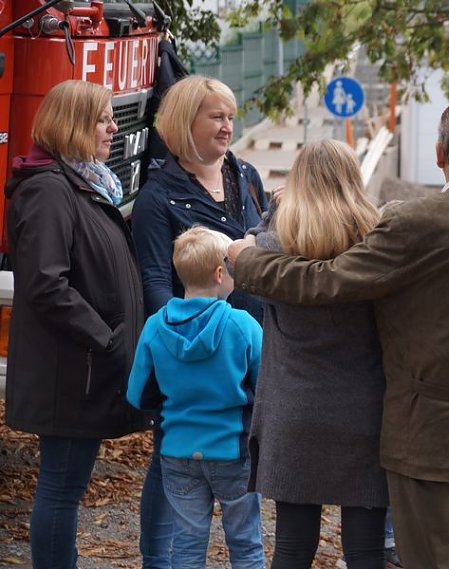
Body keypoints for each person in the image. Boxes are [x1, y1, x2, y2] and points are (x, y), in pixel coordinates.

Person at [227, 96, 449, 569]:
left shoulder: (415, 222)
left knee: (429, 558)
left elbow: (325, 281)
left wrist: (248, 259)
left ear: (439, 155)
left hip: (427, 430)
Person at [2, 79, 150, 568]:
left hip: (80, 369)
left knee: (65, 490)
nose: (113, 127)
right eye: (103, 119)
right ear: (74, 125)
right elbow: (46, 285)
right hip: (70, 375)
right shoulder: (50, 190)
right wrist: (105, 338)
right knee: (61, 492)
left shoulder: (83, 183)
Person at [132, 75, 269, 566]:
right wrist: (172, 344)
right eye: (216, 116)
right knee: (169, 465)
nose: (228, 125)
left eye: (231, 116)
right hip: (189, 357)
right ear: (184, 121)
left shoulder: (246, 175)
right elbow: (154, 280)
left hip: (245, 348)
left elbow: (268, 244)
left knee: (239, 474)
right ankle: (157, 559)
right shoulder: (156, 197)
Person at [247, 139, 388, 569]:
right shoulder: (375, 246)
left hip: (295, 410)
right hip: (364, 411)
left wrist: (275, 210)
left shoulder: (272, 245)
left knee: (292, 547)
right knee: (365, 551)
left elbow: (246, 247)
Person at [126, 226, 265, 568]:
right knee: (246, 545)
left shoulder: (156, 326)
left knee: (186, 548)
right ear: (220, 274)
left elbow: (137, 393)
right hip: (233, 451)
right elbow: (266, 388)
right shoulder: (243, 325)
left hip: (178, 452)